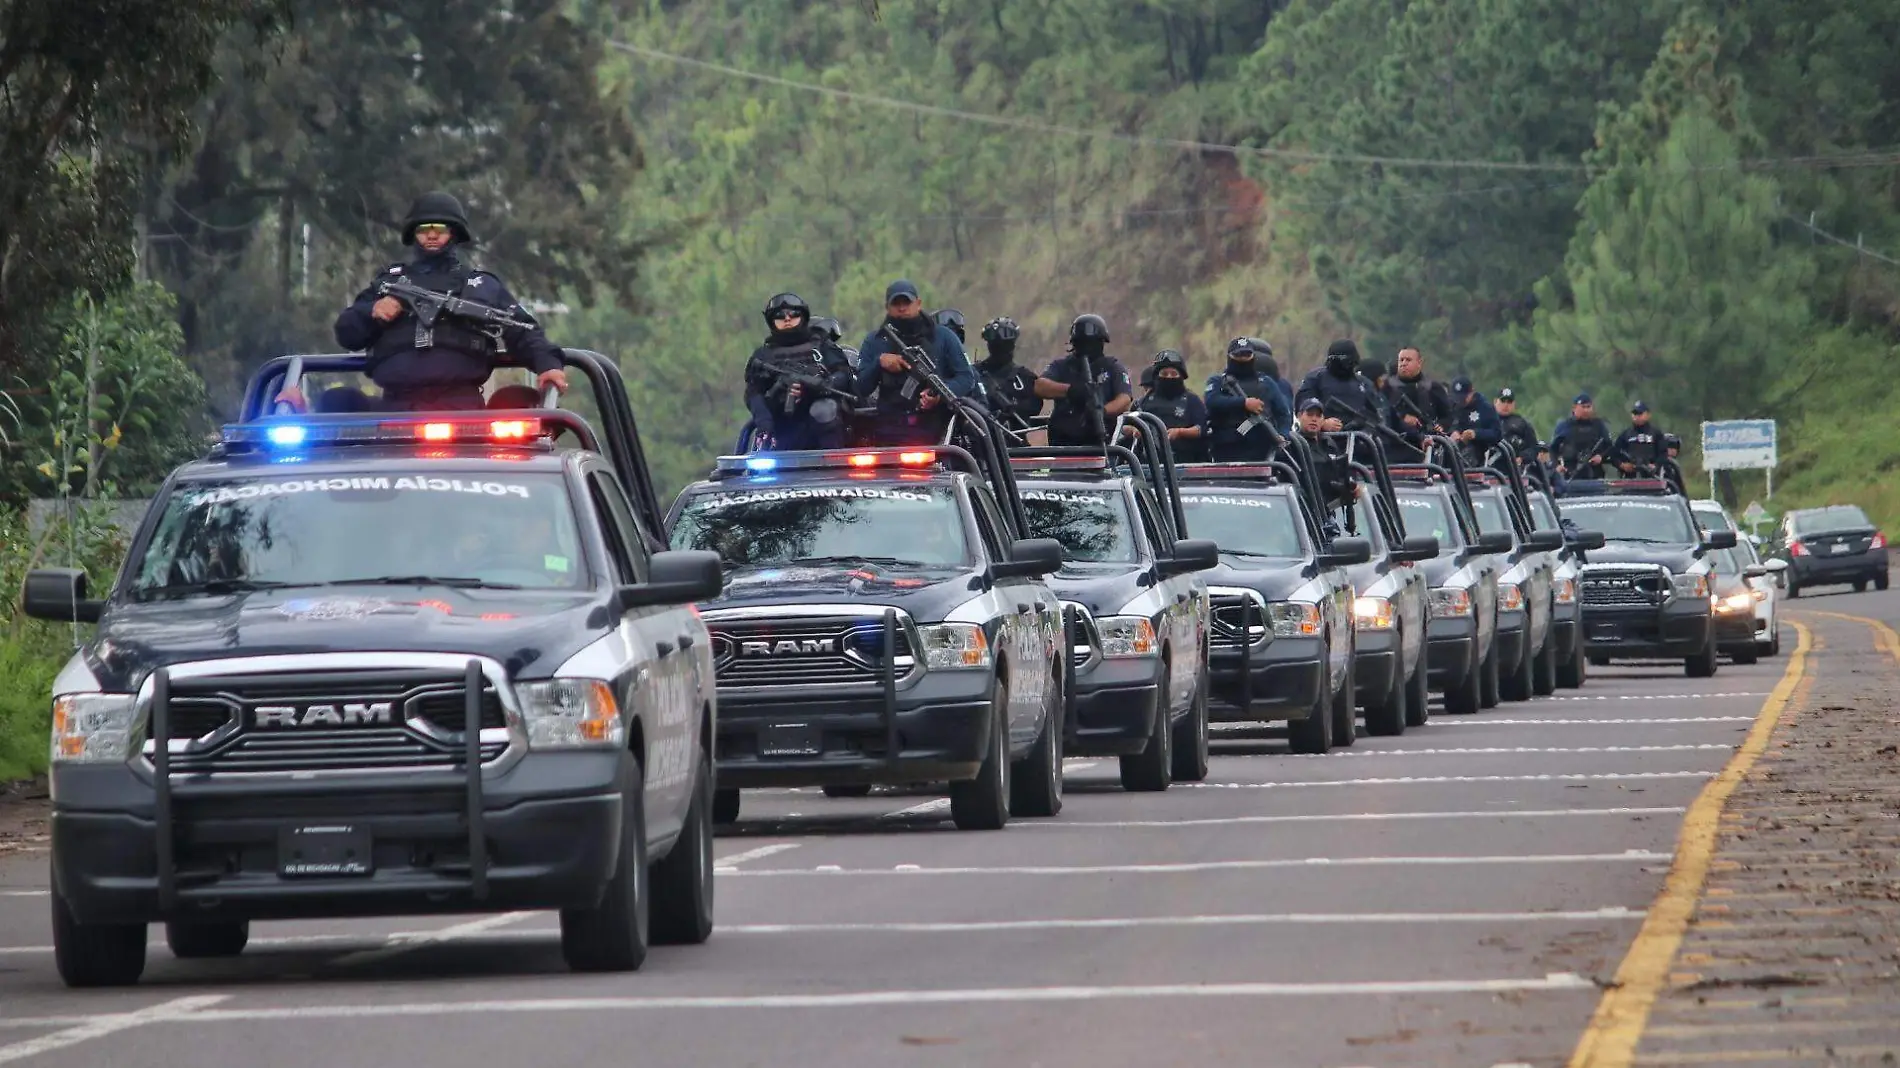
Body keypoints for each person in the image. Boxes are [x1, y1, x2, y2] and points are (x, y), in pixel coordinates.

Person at [331, 191, 567, 412]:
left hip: (463, 410)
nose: (432, 235)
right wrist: (373, 311)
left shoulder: (480, 285)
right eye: (424, 229)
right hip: (396, 407)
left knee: (518, 408)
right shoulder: (388, 283)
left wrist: (548, 365)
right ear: (413, 233)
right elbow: (346, 333)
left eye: (440, 228)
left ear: (454, 233)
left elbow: (523, 331)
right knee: (337, 403)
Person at [855, 280, 976, 446]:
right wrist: (879, 363)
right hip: (889, 431)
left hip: (935, 430)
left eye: (907, 302)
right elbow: (860, 387)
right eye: (896, 303)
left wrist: (938, 395)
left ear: (918, 304)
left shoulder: (943, 337)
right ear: (887, 307)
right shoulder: (875, 341)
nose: (902, 308)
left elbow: (966, 378)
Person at [744, 292, 855, 450]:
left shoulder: (821, 344)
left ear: (803, 316)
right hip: (783, 429)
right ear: (771, 321)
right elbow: (753, 393)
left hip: (824, 431)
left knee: (824, 409)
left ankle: (832, 460)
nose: (787, 319)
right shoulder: (763, 356)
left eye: (793, 314)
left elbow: (844, 373)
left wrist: (822, 385)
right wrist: (766, 420)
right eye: (780, 316)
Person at [1035, 314, 1133, 447]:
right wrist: (1070, 390)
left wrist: (1101, 411)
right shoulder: (1061, 365)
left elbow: (1124, 399)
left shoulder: (1112, 366)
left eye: (1093, 342)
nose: (1088, 347)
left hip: (1100, 441)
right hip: (1063, 443)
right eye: (1082, 342)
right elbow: (1040, 386)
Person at [1206, 337, 1290, 460]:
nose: (1243, 359)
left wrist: (1283, 434)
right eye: (1239, 355)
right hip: (1226, 448)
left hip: (1261, 449)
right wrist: (1243, 403)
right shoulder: (1218, 381)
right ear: (1230, 357)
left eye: (1247, 354)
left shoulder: (1266, 382)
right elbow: (1211, 401)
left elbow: (1283, 413)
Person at [1295, 338, 1384, 436]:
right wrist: (1322, 423)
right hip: (1323, 439)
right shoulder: (1315, 379)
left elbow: (1377, 416)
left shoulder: (1364, 384)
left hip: (1359, 439)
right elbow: (1302, 408)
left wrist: (1366, 430)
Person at [1136, 350, 1209, 463]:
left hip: (1185, 462)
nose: (1169, 377)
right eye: (1164, 374)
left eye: (1174, 374)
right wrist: (1136, 430)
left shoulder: (1191, 400)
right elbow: (1125, 426)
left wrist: (1180, 432)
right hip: (1150, 463)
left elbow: (1201, 429)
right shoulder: (1144, 401)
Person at [974, 316, 1041, 428]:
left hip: (1014, 439)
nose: (1000, 349)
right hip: (980, 438)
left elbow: (1035, 406)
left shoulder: (1025, 377)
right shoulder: (973, 374)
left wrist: (1014, 409)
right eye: (996, 345)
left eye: (1004, 345)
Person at [1385, 345, 1455, 449]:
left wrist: (1441, 426)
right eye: (1401, 360)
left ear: (1419, 362)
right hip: (1393, 443)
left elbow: (1448, 415)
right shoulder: (1387, 387)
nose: (1403, 364)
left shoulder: (1433, 387)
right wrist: (1402, 418)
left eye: (1408, 360)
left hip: (1426, 444)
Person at [1294, 397, 1357, 512]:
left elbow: (1342, 474)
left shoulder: (1329, 444)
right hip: (1304, 510)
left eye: (1318, 416)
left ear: (1323, 419)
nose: (1314, 419)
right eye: (1310, 414)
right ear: (1299, 415)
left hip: (1331, 511)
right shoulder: (1292, 445)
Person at [1550, 393, 1614, 479]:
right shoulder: (1565, 425)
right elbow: (1553, 449)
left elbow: (1609, 446)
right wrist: (1556, 465)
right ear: (1574, 408)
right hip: (1571, 473)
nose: (1586, 410)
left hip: (1595, 474)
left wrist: (1601, 456)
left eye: (1588, 407)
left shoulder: (1598, 425)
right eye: (1583, 407)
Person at [1448, 377, 1502, 468]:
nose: (1460, 401)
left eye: (1463, 398)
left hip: (1475, 456)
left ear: (1472, 392)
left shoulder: (1485, 408)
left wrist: (1475, 434)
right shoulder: (1453, 406)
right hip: (1450, 450)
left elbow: (1497, 433)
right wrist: (1452, 433)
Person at [1614, 400, 1668, 476]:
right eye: (1635, 414)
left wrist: (1655, 465)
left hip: (1651, 478)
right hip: (1630, 478)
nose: (1637, 416)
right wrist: (1622, 465)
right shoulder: (1625, 434)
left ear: (1648, 415)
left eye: (1640, 413)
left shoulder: (1656, 433)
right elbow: (1614, 453)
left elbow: (1663, 454)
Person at [1495, 387, 1538, 460]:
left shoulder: (1522, 424)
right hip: (1488, 464)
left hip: (1512, 466)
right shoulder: (1487, 419)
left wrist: (1522, 458)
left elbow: (1534, 448)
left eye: (1509, 402)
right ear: (1495, 402)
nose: (1506, 405)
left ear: (1514, 404)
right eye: (1503, 401)